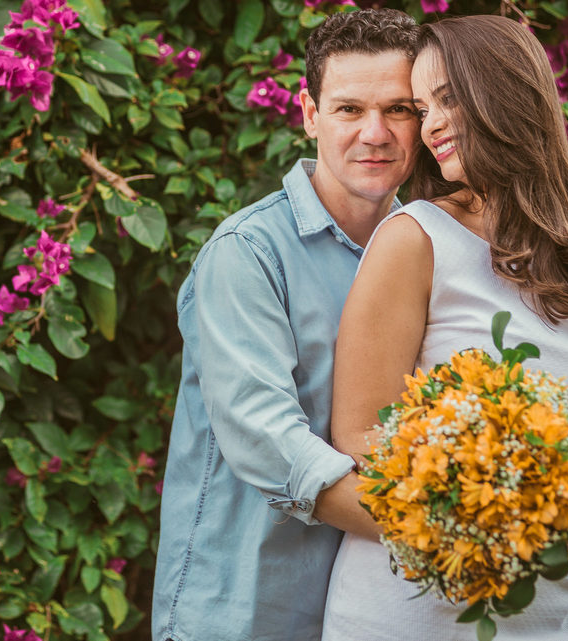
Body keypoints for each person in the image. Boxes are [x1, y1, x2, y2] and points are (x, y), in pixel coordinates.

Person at [321, 14, 568, 641]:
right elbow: (359, 431)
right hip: (412, 615)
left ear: (510, 93)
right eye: (420, 106)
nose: (428, 125)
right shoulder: (415, 240)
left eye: (447, 99)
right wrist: (485, 494)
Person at [151, 9, 419, 641]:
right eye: (350, 109)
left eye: (398, 109)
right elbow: (268, 439)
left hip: (368, 611)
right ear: (309, 114)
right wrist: (437, 526)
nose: (375, 133)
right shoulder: (247, 252)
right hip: (242, 609)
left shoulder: (431, 252)